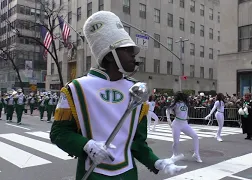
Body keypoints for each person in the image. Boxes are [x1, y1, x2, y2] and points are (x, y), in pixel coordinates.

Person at [50, 11, 187, 180]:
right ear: (110, 54)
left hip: (128, 174)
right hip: (93, 175)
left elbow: (137, 143)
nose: (133, 55)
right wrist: (87, 146)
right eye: (127, 50)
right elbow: (59, 133)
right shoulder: (76, 89)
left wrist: (156, 162)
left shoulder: (137, 91)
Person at [166, 92, 202, 163]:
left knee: (195, 136)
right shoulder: (176, 103)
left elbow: (183, 112)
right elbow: (167, 110)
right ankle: (174, 154)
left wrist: (186, 116)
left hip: (185, 123)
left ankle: (196, 154)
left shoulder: (185, 104)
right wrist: (168, 119)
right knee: (176, 142)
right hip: (176, 124)